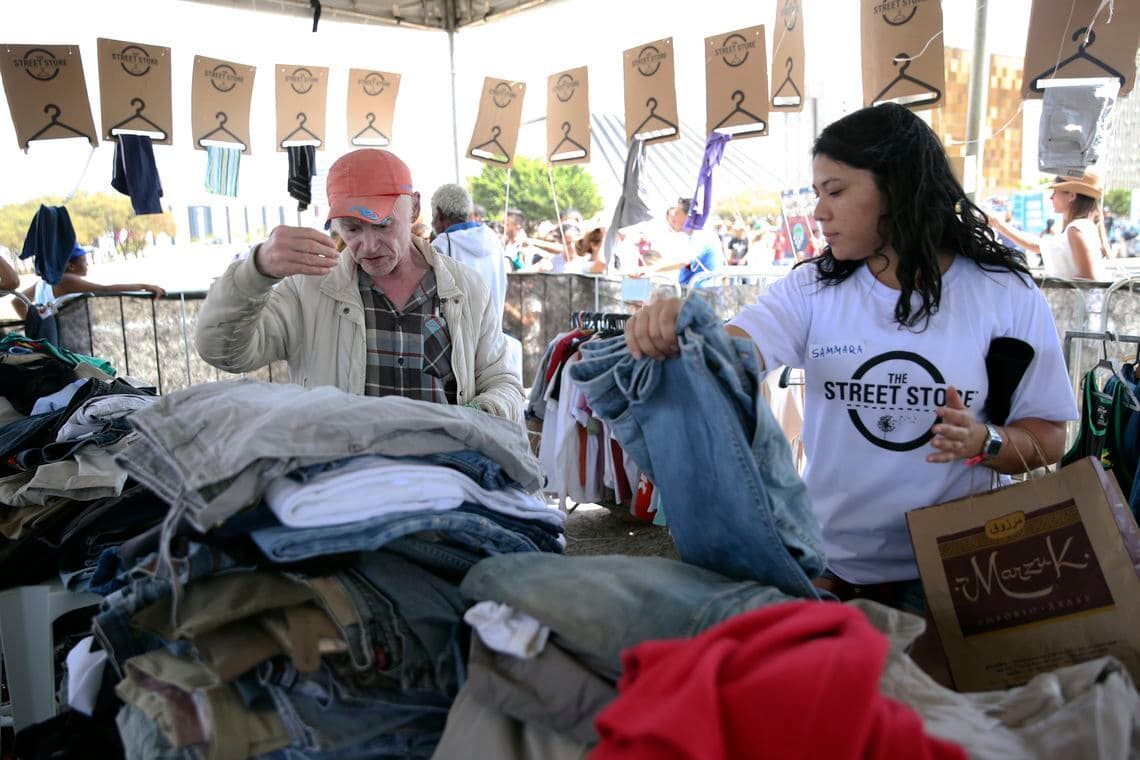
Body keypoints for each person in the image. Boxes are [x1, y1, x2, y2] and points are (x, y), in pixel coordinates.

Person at [623, 103, 1077, 611]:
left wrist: (982, 440)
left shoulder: (1003, 292)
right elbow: (735, 352)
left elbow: (1050, 436)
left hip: (957, 571)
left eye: (836, 191)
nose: (819, 212)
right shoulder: (812, 288)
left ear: (897, 187)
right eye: (818, 194)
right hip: (828, 568)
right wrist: (686, 332)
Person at [195, 148, 523, 422]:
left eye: (382, 225)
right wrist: (255, 271)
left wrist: (479, 414)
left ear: (416, 207)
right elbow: (224, 352)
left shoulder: (468, 289)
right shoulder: (306, 290)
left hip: (449, 483)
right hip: (340, 485)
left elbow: (503, 382)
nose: (367, 245)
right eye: (351, 229)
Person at [988, 171, 1110, 280]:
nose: (1051, 197)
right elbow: (1036, 245)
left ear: (1072, 196)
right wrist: (999, 225)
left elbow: (1088, 279)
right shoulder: (1082, 227)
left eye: (1055, 192)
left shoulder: (1076, 229)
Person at [11, 245, 166, 319]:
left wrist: (34, 323)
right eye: (84, 260)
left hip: (52, 340)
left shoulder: (43, 283)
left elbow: (16, 302)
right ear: (71, 266)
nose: (87, 264)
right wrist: (145, 286)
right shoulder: (66, 280)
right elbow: (104, 290)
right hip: (68, 342)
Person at [429, 183, 509, 320]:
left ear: (440, 214)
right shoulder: (493, 239)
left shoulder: (442, 245)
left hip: (458, 340)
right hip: (493, 336)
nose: (432, 224)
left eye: (433, 217)